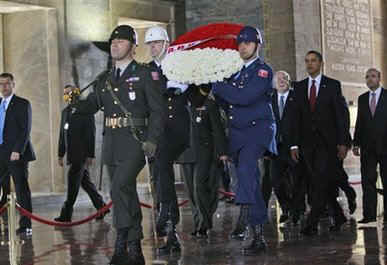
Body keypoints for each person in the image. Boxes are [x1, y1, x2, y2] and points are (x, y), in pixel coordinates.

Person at [74, 25, 166, 265]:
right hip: (112, 143)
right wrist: (74, 100)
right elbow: (91, 106)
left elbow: (158, 111)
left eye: (121, 42)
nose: (115, 45)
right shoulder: (104, 78)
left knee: (118, 187)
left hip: (136, 141)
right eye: (113, 42)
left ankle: (121, 241)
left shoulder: (145, 74)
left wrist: (153, 140)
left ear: (133, 47)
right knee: (125, 191)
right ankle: (135, 245)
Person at [211, 26, 277, 255]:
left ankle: (252, 227)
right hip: (238, 134)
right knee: (248, 180)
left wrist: (217, 83)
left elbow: (244, 97)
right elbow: (224, 102)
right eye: (240, 43)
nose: (243, 47)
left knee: (248, 171)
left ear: (257, 45)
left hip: (257, 130)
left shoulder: (263, 71)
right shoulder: (234, 71)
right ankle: (257, 231)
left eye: (248, 43)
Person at [144, 26, 208, 254]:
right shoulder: (147, 70)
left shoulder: (180, 66)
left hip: (178, 130)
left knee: (161, 164)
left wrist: (203, 83)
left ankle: (168, 215)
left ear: (166, 44)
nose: (153, 48)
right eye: (150, 44)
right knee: (161, 172)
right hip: (158, 132)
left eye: (156, 43)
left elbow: (197, 100)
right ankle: (170, 227)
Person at [290, 50, 348, 235]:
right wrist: (293, 144)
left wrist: (342, 142)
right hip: (306, 145)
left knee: (319, 181)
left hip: (327, 144)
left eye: (313, 61)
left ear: (320, 63)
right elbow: (295, 118)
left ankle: (311, 223)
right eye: (306, 61)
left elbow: (341, 116)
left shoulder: (332, 85)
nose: (309, 64)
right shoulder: (298, 87)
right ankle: (338, 216)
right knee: (320, 182)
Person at [179, 86, 227, 239]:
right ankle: (198, 222)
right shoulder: (179, 102)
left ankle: (204, 223)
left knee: (199, 187)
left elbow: (217, 128)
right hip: (185, 152)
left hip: (204, 152)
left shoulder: (209, 104)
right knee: (191, 192)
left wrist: (222, 152)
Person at [54, 85, 108, 222]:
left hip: (81, 154)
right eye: (65, 93)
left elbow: (91, 133)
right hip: (71, 154)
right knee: (86, 183)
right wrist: (60, 154)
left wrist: (90, 155)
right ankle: (102, 207)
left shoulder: (85, 110)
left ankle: (66, 214)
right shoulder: (65, 112)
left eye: (70, 92)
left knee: (72, 181)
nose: (68, 96)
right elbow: (62, 134)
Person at [0, 72, 36, 235]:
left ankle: (26, 224)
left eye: (7, 83)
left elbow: (25, 130)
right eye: (1, 84)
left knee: (21, 189)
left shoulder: (22, 103)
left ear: (13, 85)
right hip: (0, 153)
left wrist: (17, 150)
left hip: (16, 154)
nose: (4, 87)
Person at [353, 68, 387, 224]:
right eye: (367, 77)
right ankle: (369, 216)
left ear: (379, 78)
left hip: (385, 146)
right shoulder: (362, 98)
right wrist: (356, 143)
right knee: (368, 181)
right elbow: (359, 122)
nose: (369, 79)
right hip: (367, 147)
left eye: (373, 76)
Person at [269, 71, 298, 223]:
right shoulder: (270, 99)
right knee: (275, 180)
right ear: (274, 83)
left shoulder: (297, 97)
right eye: (278, 79)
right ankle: (286, 207)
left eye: (285, 78)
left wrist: (296, 144)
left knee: (296, 181)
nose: (282, 81)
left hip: (294, 147)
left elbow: (301, 122)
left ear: (289, 81)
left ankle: (296, 210)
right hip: (276, 149)